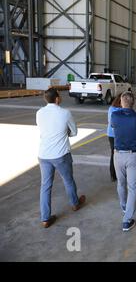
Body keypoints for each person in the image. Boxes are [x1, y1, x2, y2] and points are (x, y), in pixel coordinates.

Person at [36, 88, 86, 228]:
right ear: (57, 99)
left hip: (43, 154)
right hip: (60, 154)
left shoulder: (39, 113)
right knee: (68, 180)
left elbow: (43, 130)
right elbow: (74, 132)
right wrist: (65, 133)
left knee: (45, 186)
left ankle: (45, 218)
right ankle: (75, 204)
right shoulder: (65, 113)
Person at [111, 91, 136, 232]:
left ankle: (124, 205)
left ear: (121, 102)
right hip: (133, 155)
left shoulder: (114, 115)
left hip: (118, 155)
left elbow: (115, 130)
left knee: (121, 183)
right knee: (132, 187)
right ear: (133, 103)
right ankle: (126, 220)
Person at [107, 94, 122, 182]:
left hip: (110, 134)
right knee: (119, 155)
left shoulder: (111, 108)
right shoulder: (121, 110)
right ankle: (118, 173)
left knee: (113, 154)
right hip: (118, 135)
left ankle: (113, 175)